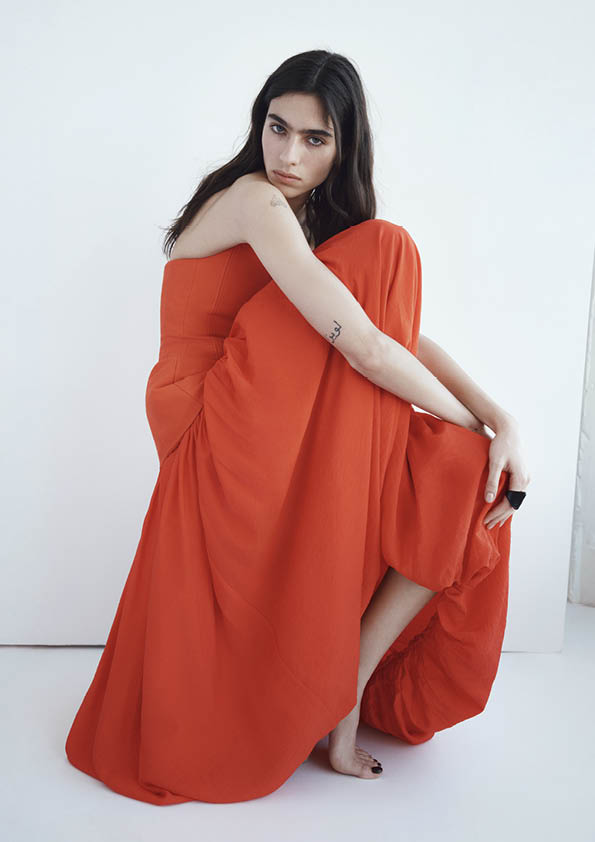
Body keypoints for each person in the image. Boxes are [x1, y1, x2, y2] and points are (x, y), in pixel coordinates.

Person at [65, 49, 530, 804]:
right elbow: (365, 345)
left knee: (450, 469)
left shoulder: (314, 222)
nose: (287, 154)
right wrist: (474, 427)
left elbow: (395, 334)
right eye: (277, 128)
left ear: (344, 147)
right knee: (387, 247)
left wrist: (493, 417)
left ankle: (348, 685)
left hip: (263, 401)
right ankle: (336, 693)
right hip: (212, 408)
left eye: (315, 139)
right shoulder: (254, 198)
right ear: (260, 125)